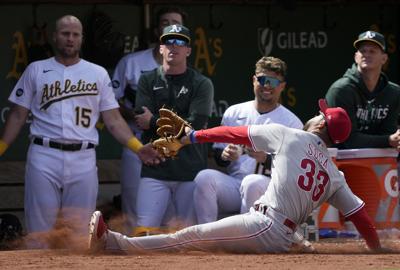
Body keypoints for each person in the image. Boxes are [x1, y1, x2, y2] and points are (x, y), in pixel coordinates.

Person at [88, 99, 387, 254]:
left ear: (321, 123)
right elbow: (360, 215)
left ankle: (114, 244)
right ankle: (299, 243)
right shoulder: (334, 174)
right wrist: (376, 248)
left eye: (320, 113)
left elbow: (234, 133)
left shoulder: (291, 135)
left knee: (189, 237)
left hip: (266, 226)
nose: (316, 113)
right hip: (281, 230)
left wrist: (193, 136)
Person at [0, 15, 160, 248]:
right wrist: (2, 147)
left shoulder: (97, 73)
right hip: (44, 154)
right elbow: (17, 114)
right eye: (65, 33)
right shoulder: (36, 69)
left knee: (79, 232)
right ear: (55, 36)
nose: (70, 39)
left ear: (81, 39)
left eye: (75, 34)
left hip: (83, 157)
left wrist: (137, 148)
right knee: (39, 230)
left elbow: (114, 119)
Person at [193, 56, 303, 224]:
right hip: (236, 185)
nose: (266, 86)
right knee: (204, 177)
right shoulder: (234, 112)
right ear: (254, 80)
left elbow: (296, 170)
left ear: (282, 86)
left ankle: (247, 240)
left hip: (271, 191)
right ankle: (205, 235)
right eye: (262, 80)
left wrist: (266, 159)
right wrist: (224, 156)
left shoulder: (291, 122)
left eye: (273, 82)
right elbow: (218, 155)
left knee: (252, 182)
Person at [111, 6, 187, 234]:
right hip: (137, 143)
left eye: (177, 22)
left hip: (170, 147)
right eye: (166, 22)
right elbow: (110, 103)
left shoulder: (186, 70)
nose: (171, 26)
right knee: (134, 207)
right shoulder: (131, 62)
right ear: (156, 30)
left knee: (170, 212)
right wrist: (132, 114)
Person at [133, 24, 214, 234]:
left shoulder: (201, 83)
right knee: (144, 231)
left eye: (180, 42)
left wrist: (153, 122)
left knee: (188, 236)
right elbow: (141, 117)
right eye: (168, 41)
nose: (173, 46)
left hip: (190, 169)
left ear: (188, 50)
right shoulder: (147, 79)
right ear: (160, 48)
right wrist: (182, 125)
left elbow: (194, 126)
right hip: (156, 166)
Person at [325, 30, 400, 150]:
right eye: (362, 51)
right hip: (340, 162)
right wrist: (388, 140)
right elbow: (347, 140)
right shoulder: (341, 90)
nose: (366, 54)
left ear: (384, 59)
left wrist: (393, 139)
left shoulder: (394, 92)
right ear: (356, 57)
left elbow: (389, 132)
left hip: (378, 160)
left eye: (372, 51)